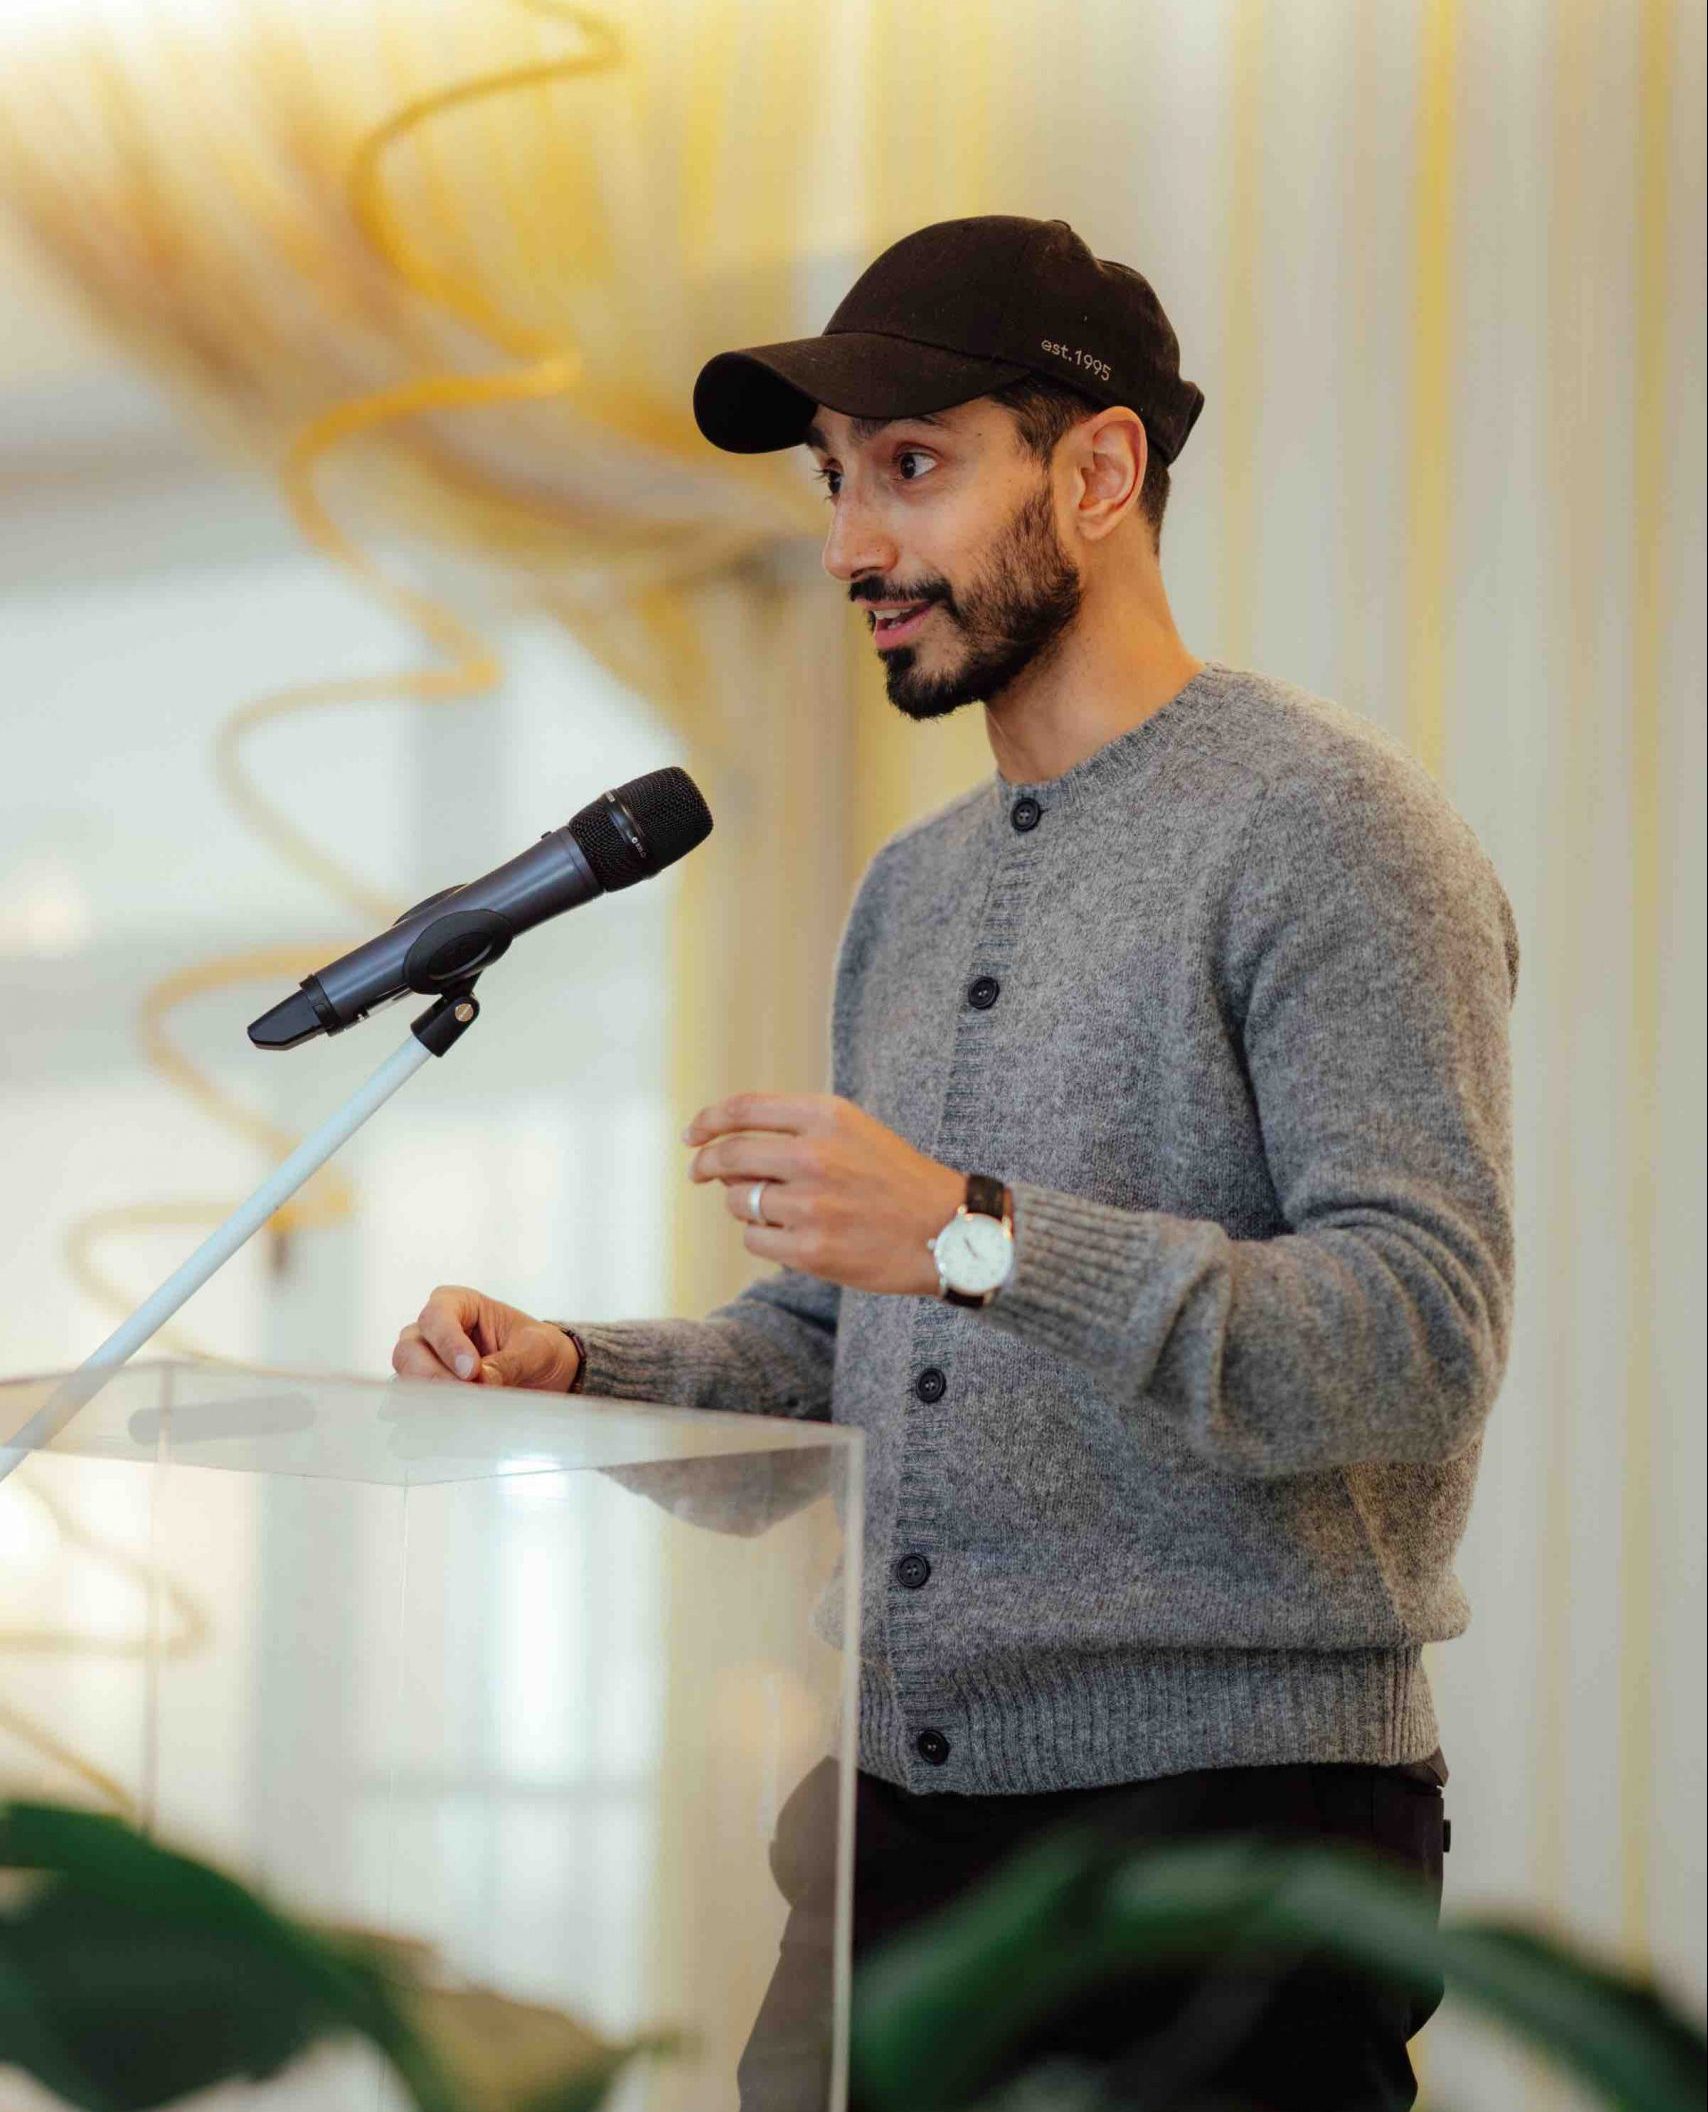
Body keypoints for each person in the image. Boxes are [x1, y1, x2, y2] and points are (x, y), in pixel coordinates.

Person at [392, 215, 1519, 2111]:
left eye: (910, 470)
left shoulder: (1332, 832)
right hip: (890, 1828)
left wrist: (975, 1238)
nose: (850, 547)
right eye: (836, 483)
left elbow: (1416, 1335)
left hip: (1217, 1857)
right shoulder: (908, 899)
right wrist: (586, 1368)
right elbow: (859, 1343)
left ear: (1097, 474)